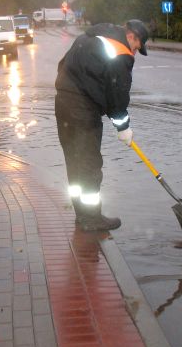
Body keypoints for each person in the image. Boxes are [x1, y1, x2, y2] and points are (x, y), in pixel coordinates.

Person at [55, 19, 149, 231]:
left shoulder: (89, 37)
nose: (135, 52)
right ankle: (91, 219)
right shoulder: (120, 52)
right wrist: (123, 127)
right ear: (132, 36)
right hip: (82, 110)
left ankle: (82, 214)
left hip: (62, 103)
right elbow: (117, 95)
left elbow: (63, 65)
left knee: (75, 161)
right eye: (137, 46)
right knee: (89, 164)